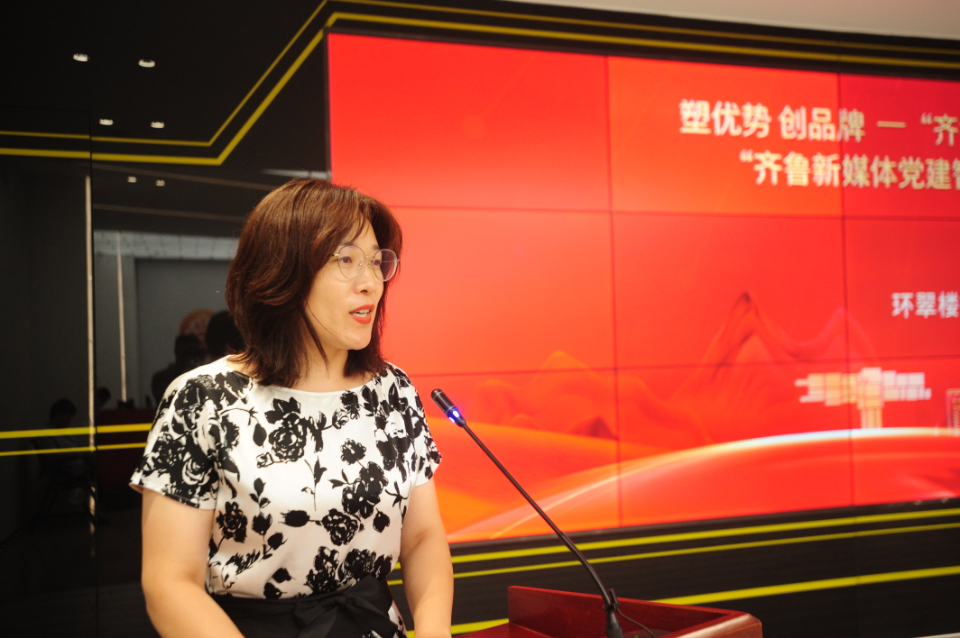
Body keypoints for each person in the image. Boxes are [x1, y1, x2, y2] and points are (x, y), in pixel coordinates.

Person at [131, 180, 453, 638]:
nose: (371, 282)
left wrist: (436, 631)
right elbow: (169, 583)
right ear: (284, 273)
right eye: (346, 260)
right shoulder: (203, 398)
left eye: (376, 261)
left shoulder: (392, 389)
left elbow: (422, 538)